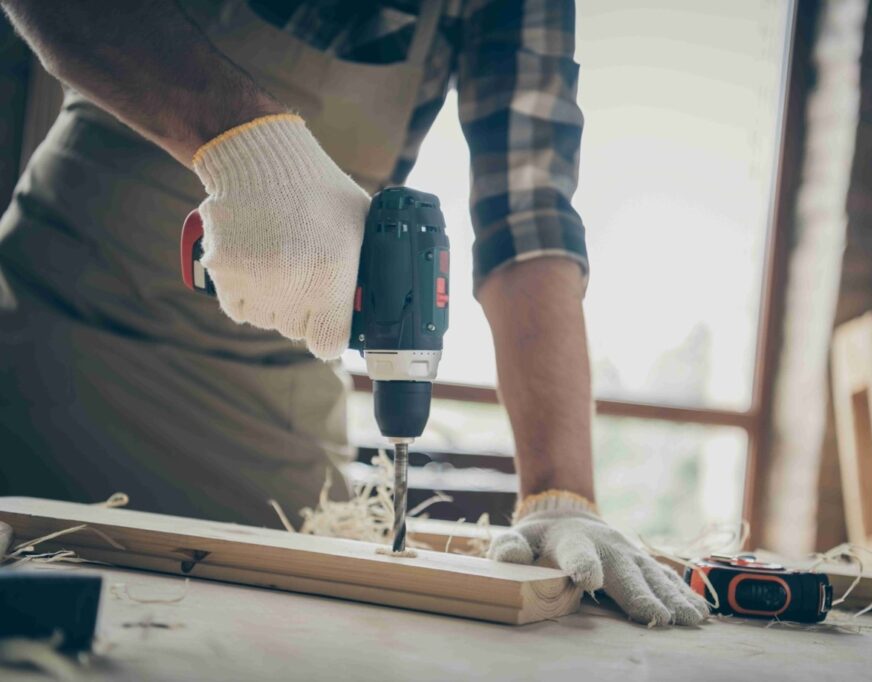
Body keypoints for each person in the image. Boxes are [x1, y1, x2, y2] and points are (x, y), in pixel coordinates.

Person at [0, 0, 708, 627]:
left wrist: (561, 493)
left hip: (269, 400)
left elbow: (529, 218)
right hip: (50, 339)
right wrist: (249, 145)